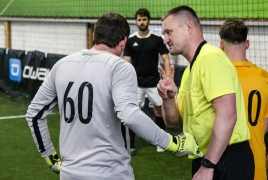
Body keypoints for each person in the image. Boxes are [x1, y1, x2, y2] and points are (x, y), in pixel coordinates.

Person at [25, 12, 203, 180]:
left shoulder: (61, 65)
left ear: (95, 35)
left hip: (69, 174)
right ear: (124, 41)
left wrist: (52, 158)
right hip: (110, 173)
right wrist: (175, 143)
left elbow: (34, 114)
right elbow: (131, 116)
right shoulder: (119, 67)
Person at [157, 6, 254, 180]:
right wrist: (169, 99)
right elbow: (172, 122)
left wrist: (208, 165)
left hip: (225, 159)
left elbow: (228, 115)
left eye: (168, 32)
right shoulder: (189, 71)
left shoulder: (210, 58)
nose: (165, 40)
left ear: (188, 27)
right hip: (210, 158)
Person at [219, 19, 268, 180]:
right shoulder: (264, 77)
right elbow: (265, 125)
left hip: (223, 163)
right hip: (256, 162)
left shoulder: (217, 78)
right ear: (247, 44)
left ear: (221, 45)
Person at [122, 8, 171, 154]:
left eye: (144, 19)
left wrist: (167, 78)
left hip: (154, 82)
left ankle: (161, 142)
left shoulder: (156, 39)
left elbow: (166, 59)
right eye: (139, 19)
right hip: (136, 84)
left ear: (148, 20)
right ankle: (130, 145)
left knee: (158, 110)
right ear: (136, 21)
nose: (142, 22)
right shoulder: (130, 40)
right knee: (132, 112)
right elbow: (127, 62)